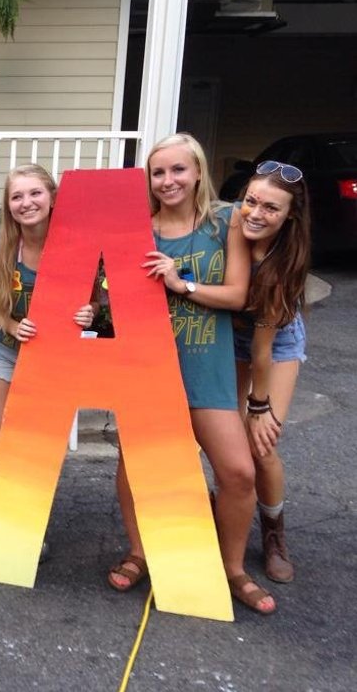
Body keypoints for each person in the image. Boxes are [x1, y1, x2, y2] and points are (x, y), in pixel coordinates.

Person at [112, 133, 276, 614]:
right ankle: (139, 552)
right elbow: (115, 294)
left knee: (239, 472)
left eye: (178, 169)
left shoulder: (226, 220)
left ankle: (232, 568)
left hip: (207, 365)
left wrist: (179, 282)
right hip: (149, 367)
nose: (168, 181)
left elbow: (238, 295)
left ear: (199, 171)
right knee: (134, 464)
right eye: (158, 172)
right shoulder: (138, 229)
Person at [0, 164, 97, 497]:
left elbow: (93, 301)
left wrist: (89, 312)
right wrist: (12, 325)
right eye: (17, 196)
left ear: (52, 198)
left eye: (35, 193)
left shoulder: (76, 247)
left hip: (50, 356)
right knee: (0, 435)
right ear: (8, 204)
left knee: (37, 441)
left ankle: (28, 515)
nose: (26, 203)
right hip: (3, 350)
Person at [234, 161, 311, 583]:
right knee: (225, 435)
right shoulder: (229, 224)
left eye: (271, 208)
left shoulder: (283, 265)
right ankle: (226, 509)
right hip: (229, 336)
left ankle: (273, 532)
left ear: (289, 215)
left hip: (274, 345)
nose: (256, 213)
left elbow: (262, 351)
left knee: (261, 444)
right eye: (251, 201)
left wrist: (259, 407)